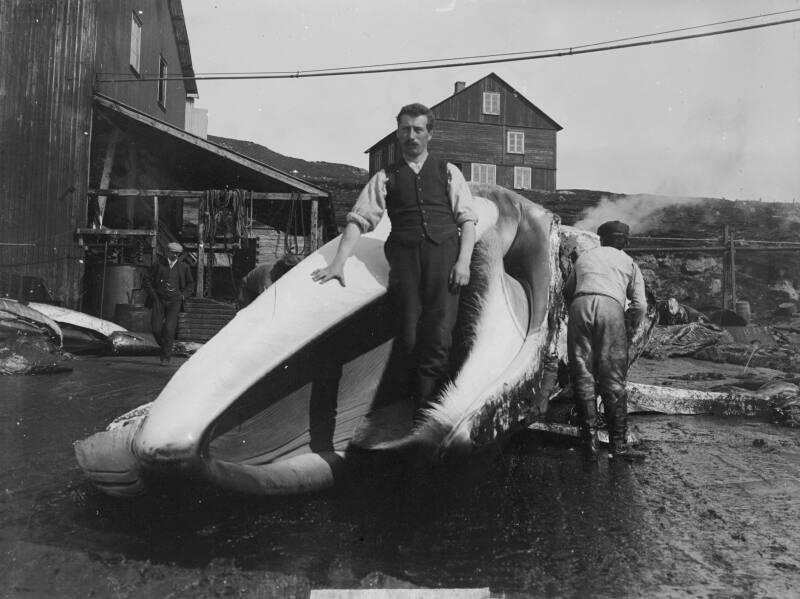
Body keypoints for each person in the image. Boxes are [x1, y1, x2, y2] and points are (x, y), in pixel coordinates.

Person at [311, 103, 477, 415]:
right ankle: (406, 407)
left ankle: (427, 415)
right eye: (405, 129)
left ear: (430, 133)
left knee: (440, 336)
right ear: (397, 133)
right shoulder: (386, 177)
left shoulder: (448, 171)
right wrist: (338, 262)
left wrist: (463, 262)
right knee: (410, 336)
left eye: (418, 129)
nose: (411, 136)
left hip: (445, 261)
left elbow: (467, 221)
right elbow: (358, 221)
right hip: (405, 264)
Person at [564, 220, 647, 461]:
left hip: (580, 306)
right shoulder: (629, 263)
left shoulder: (585, 258)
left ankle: (588, 445)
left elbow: (567, 292)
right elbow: (640, 305)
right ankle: (618, 446)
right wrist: (628, 325)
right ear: (625, 241)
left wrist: (578, 313)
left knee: (582, 374)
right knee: (612, 378)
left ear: (602, 239)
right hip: (610, 308)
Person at [144, 242, 194, 365]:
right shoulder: (158, 265)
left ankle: (165, 357)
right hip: (159, 299)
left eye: (177, 253)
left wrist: (183, 296)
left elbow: (190, 284)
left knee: (169, 329)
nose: (175, 255)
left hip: (175, 301)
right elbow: (146, 279)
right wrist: (153, 294)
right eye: (173, 253)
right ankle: (165, 347)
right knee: (156, 328)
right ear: (167, 252)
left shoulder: (184, 267)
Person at [237, 254, 302, 308]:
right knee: (247, 313)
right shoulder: (267, 276)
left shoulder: (282, 273)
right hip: (247, 290)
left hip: (259, 289)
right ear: (283, 268)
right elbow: (266, 299)